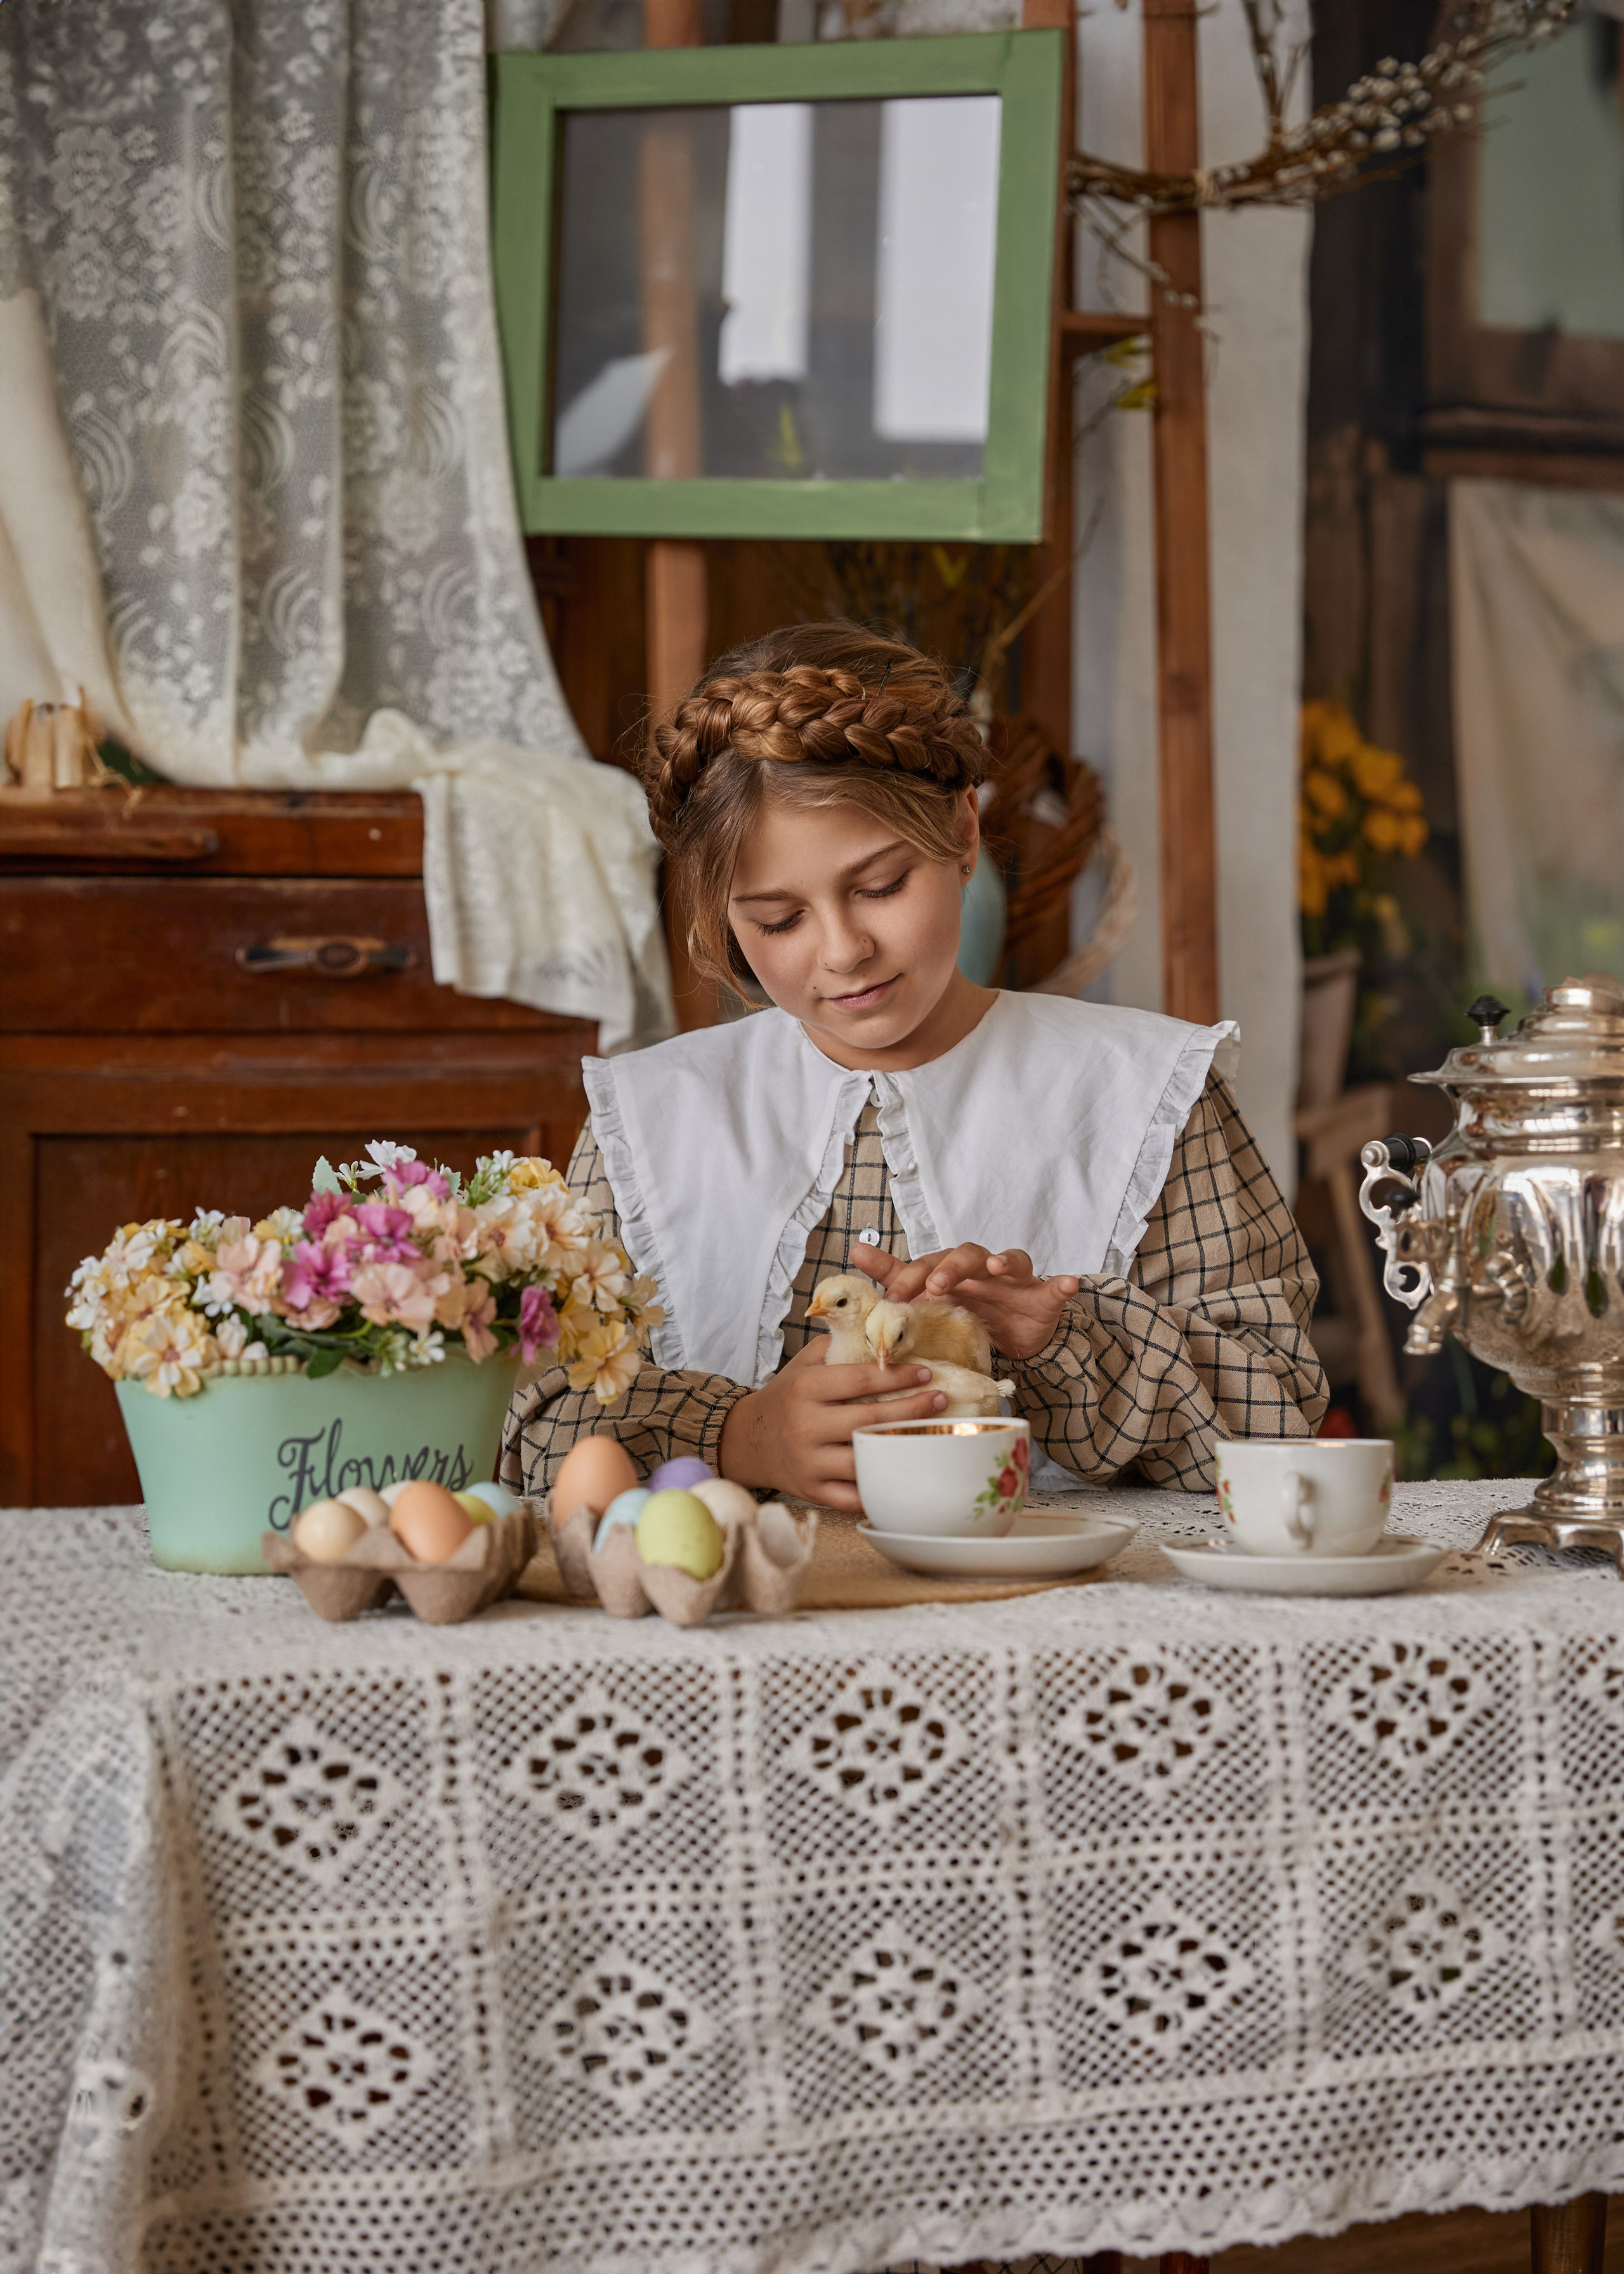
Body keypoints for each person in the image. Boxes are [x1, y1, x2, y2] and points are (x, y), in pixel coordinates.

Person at [501, 622, 1326, 1512]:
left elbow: (1277, 1413)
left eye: (880, 886)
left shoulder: (1145, 1093)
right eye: (779, 921)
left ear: (963, 831)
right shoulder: (652, 1119)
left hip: (1053, 1624)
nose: (845, 950)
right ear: (722, 920)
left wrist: (1062, 1337)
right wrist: (742, 1435)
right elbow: (530, 1422)